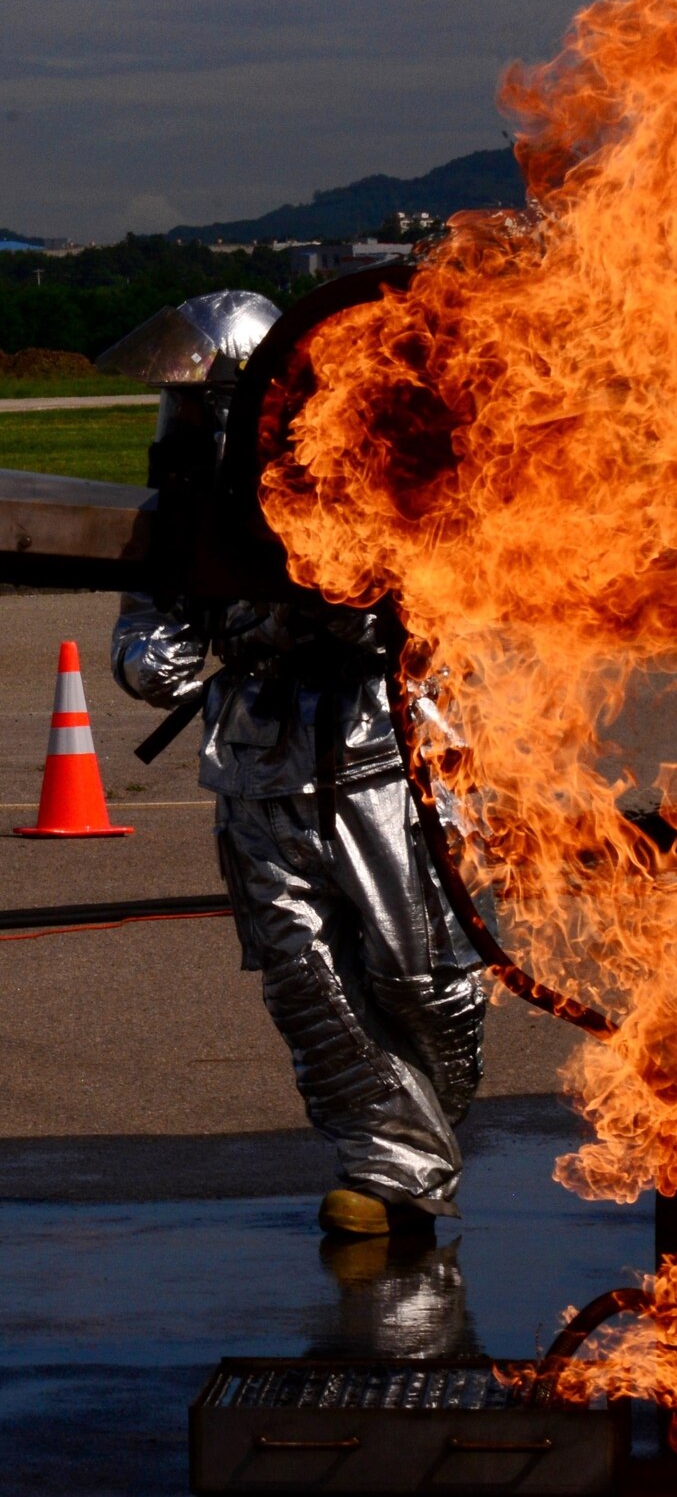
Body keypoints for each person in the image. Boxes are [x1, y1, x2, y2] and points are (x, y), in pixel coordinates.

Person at [104, 290, 486, 1237]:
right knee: (301, 973)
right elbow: (149, 658)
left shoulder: (364, 479)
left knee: (417, 970)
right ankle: (386, 1166)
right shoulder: (181, 512)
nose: (185, 420)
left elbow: (457, 602)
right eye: (178, 404)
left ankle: (415, 1152)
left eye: (203, 402)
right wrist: (175, 612)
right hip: (257, 762)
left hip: (380, 746)